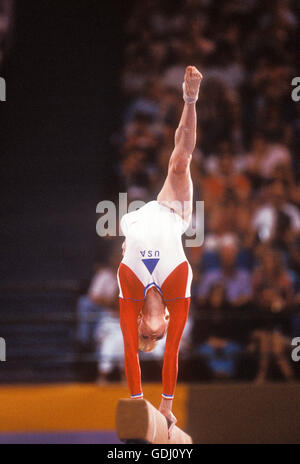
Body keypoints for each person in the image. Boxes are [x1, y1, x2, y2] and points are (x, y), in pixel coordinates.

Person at [117, 66, 202, 437]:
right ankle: (190, 98)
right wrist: (164, 405)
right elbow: (173, 354)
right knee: (180, 161)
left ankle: (188, 99)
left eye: (145, 339)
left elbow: (128, 350)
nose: (151, 335)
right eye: (157, 337)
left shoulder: (128, 288)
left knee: (177, 160)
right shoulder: (179, 291)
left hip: (134, 224)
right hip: (172, 212)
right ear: (166, 323)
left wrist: (138, 399)